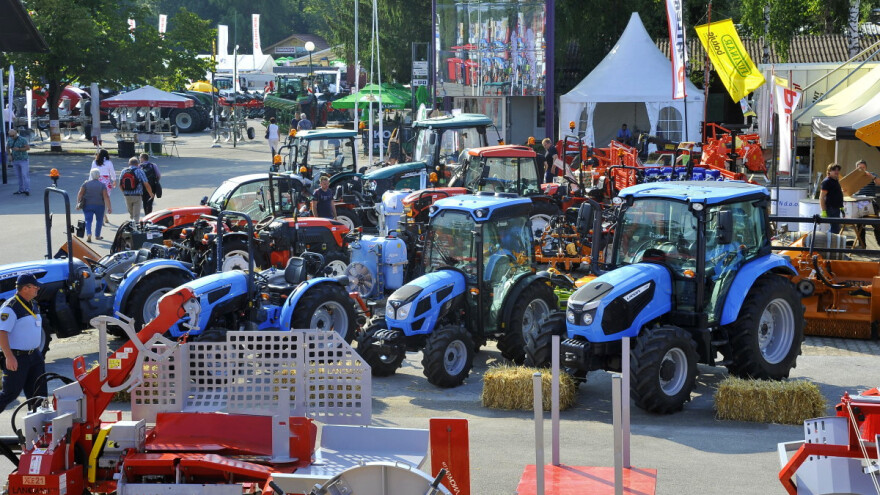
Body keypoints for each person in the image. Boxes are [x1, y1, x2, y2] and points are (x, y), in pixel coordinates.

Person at [0, 274, 48, 413]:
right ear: (25, 288)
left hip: (35, 356)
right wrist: (9, 356)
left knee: (39, 395)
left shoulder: (33, 303)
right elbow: (2, 332)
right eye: (35, 286)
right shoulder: (10, 307)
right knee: (10, 394)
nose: (38, 288)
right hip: (17, 357)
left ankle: (37, 430)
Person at [77, 168, 112, 242]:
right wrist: (109, 207)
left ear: (91, 175)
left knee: (88, 220)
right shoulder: (102, 185)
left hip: (87, 205)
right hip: (100, 205)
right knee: (99, 220)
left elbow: (80, 194)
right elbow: (106, 197)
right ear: (99, 176)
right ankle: (97, 235)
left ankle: (89, 233)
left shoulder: (85, 184)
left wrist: (78, 203)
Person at [119, 156, 154, 224]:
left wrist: (124, 192)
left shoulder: (123, 171)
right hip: (137, 195)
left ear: (129, 164)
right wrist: (151, 194)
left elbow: (120, 184)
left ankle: (132, 227)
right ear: (137, 164)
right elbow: (146, 184)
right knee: (136, 216)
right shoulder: (140, 171)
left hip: (127, 195)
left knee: (132, 215)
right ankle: (135, 231)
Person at [854, 159, 880, 248]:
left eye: (863, 167)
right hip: (858, 203)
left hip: (870, 203)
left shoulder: (872, 175)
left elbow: (879, 183)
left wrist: (872, 177)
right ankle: (862, 245)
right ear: (856, 168)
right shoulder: (854, 177)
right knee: (859, 225)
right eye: (860, 168)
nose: (861, 169)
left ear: (866, 168)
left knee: (877, 224)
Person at [90, 149, 116, 225]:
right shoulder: (109, 162)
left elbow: (91, 172)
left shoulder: (95, 162)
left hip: (97, 181)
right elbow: (112, 172)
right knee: (105, 200)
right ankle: (102, 216)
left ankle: (102, 217)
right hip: (106, 183)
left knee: (98, 200)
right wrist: (114, 180)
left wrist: (90, 181)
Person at [820, 163, 844, 234]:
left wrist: (841, 206)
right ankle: (828, 242)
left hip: (836, 208)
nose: (836, 172)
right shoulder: (826, 182)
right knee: (835, 229)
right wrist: (824, 211)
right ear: (829, 171)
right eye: (834, 170)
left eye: (838, 170)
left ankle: (830, 243)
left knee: (836, 228)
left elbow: (835, 193)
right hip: (831, 208)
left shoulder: (835, 180)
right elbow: (821, 197)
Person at [7, 128, 30, 196]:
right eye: (10, 135)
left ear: (16, 133)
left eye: (13, 135)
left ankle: (27, 189)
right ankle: (21, 189)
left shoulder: (22, 139)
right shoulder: (10, 140)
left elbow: (28, 148)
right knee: (18, 176)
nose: (11, 137)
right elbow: (7, 147)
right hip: (15, 160)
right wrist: (9, 155)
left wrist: (19, 149)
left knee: (24, 175)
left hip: (23, 159)